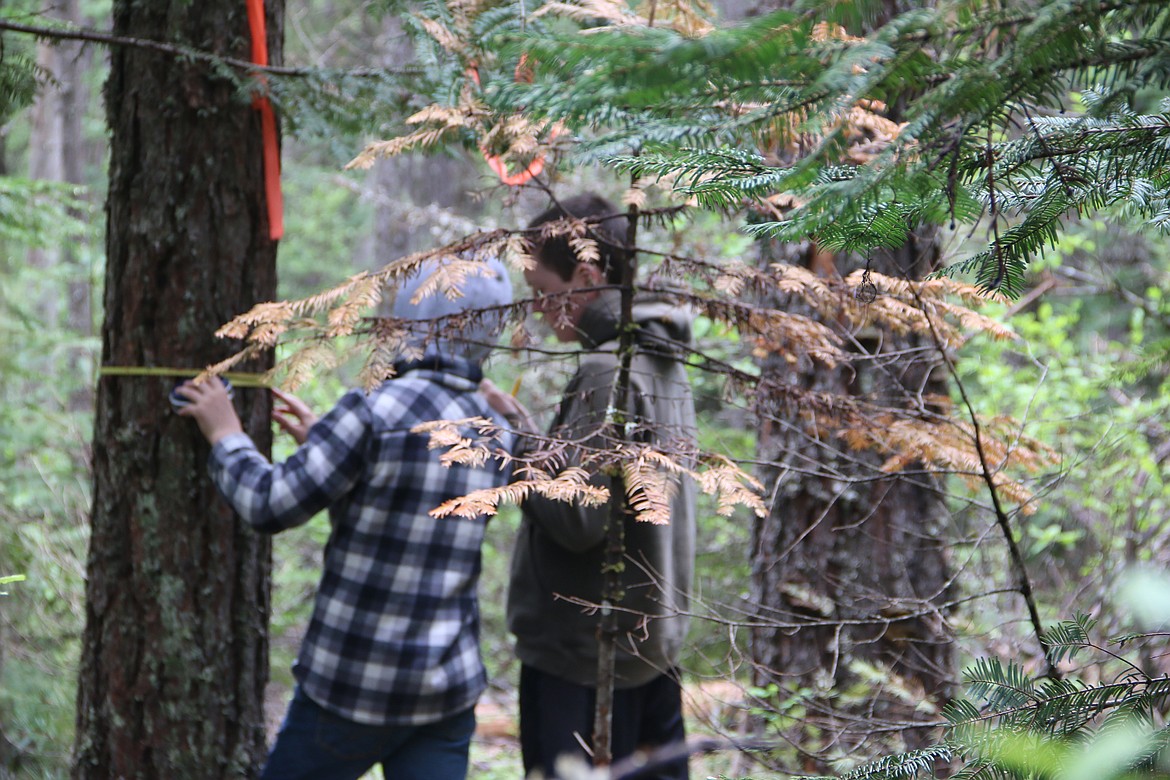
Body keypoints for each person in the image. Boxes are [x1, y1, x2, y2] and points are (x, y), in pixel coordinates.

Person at [177, 256, 514, 780]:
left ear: (409, 319)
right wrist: (329, 446)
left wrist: (226, 434)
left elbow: (268, 504)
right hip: (445, 693)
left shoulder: (372, 412)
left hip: (352, 688)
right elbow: (410, 502)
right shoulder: (497, 431)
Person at [484, 194, 697, 779]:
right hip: (648, 647)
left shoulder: (607, 371)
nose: (535, 306)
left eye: (541, 288)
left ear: (586, 274)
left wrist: (510, 445)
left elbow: (579, 520)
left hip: (586, 657)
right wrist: (533, 435)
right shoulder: (660, 356)